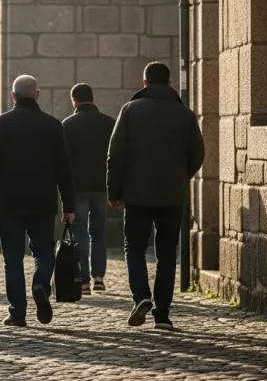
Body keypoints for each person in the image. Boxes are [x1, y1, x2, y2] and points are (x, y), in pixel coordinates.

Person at [107, 62, 204, 331]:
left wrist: (114, 191)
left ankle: (141, 296)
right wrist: (180, 176)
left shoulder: (129, 110)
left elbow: (115, 155)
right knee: (166, 253)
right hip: (171, 195)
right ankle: (162, 313)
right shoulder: (184, 114)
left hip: (136, 195)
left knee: (134, 248)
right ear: (170, 82)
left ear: (145, 82)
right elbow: (197, 154)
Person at [0, 75, 75, 327]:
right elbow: (63, 169)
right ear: (37, 94)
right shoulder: (53, 125)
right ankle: (41, 283)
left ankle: (17, 313)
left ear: (13, 96)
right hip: (42, 199)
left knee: (12, 257)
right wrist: (69, 205)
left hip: (9, 200)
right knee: (44, 249)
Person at [61, 83, 116, 295]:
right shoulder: (109, 124)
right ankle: (99, 277)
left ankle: (83, 279)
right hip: (102, 187)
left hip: (78, 188)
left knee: (80, 232)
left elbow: (63, 161)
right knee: (98, 231)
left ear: (73, 100)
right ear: (93, 99)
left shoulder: (67, 125)